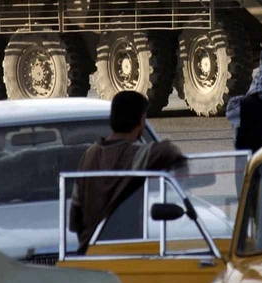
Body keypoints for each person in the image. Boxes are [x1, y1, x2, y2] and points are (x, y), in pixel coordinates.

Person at [69, 90, 185, 251]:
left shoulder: (89, 155)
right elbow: (171, 152)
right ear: (140, 120)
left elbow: (75, 217)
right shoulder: (135, 155)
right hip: (124, 251)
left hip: (90, 252)